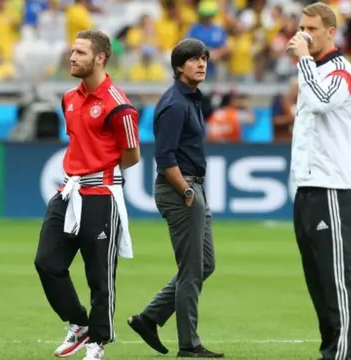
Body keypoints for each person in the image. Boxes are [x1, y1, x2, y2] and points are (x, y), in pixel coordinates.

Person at [33, 29, 141, 360]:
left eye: (80, 52)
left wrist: (100, 171)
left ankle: (98, 342)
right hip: (70, 190)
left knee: (99, 275)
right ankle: (79, 324)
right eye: (72, 51)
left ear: (100, 58)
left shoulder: (118, 105)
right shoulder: (68, 98)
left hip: (101, 194)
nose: (72, 57)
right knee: (47, 262)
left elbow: (132, 155)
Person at [126, 38, 223, 359]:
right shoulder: (174, 104)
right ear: (179, 67)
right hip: (181, 190)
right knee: (192, 269)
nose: (201, 64)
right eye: (193, 59)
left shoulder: (192, 98)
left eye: (204, 59)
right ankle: (189, 345)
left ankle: (150, 318)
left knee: (203, 264)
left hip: (192, 188)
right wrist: (186, 191)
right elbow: (165, 159)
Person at [286, 3, 351, 360]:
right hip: (307, 185)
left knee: (335, 277)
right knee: (317, 279)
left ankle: (340, 354)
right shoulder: (313, 70)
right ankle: (329, 350)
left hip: (331, 185)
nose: (305, 34)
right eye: (302, 27)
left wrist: (302, 61)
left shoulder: (342, 71)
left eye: (312, 28)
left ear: (331, 31)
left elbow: (320, 103)